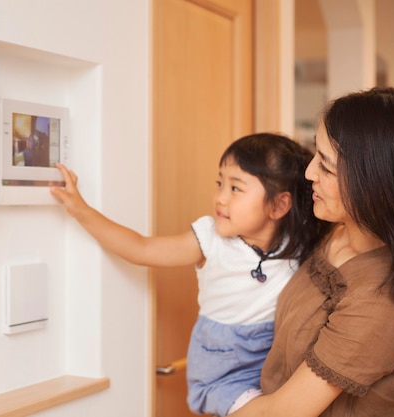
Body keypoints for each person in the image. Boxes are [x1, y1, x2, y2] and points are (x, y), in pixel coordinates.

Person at [50, 133, 329, 416]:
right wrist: (81, 210)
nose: (220, 198)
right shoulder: (209, 240)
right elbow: (140, 248)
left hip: (269, 363)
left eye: (235, 188)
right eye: (220, 183)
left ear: (279, 205)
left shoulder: (298, 246)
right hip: (222, 371)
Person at [229, 87, 394, 417]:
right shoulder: (334, 231)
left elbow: (282, 413)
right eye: (315, 156)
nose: (309, 173)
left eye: (326, 168)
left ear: (376, 182)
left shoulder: (377, 304)